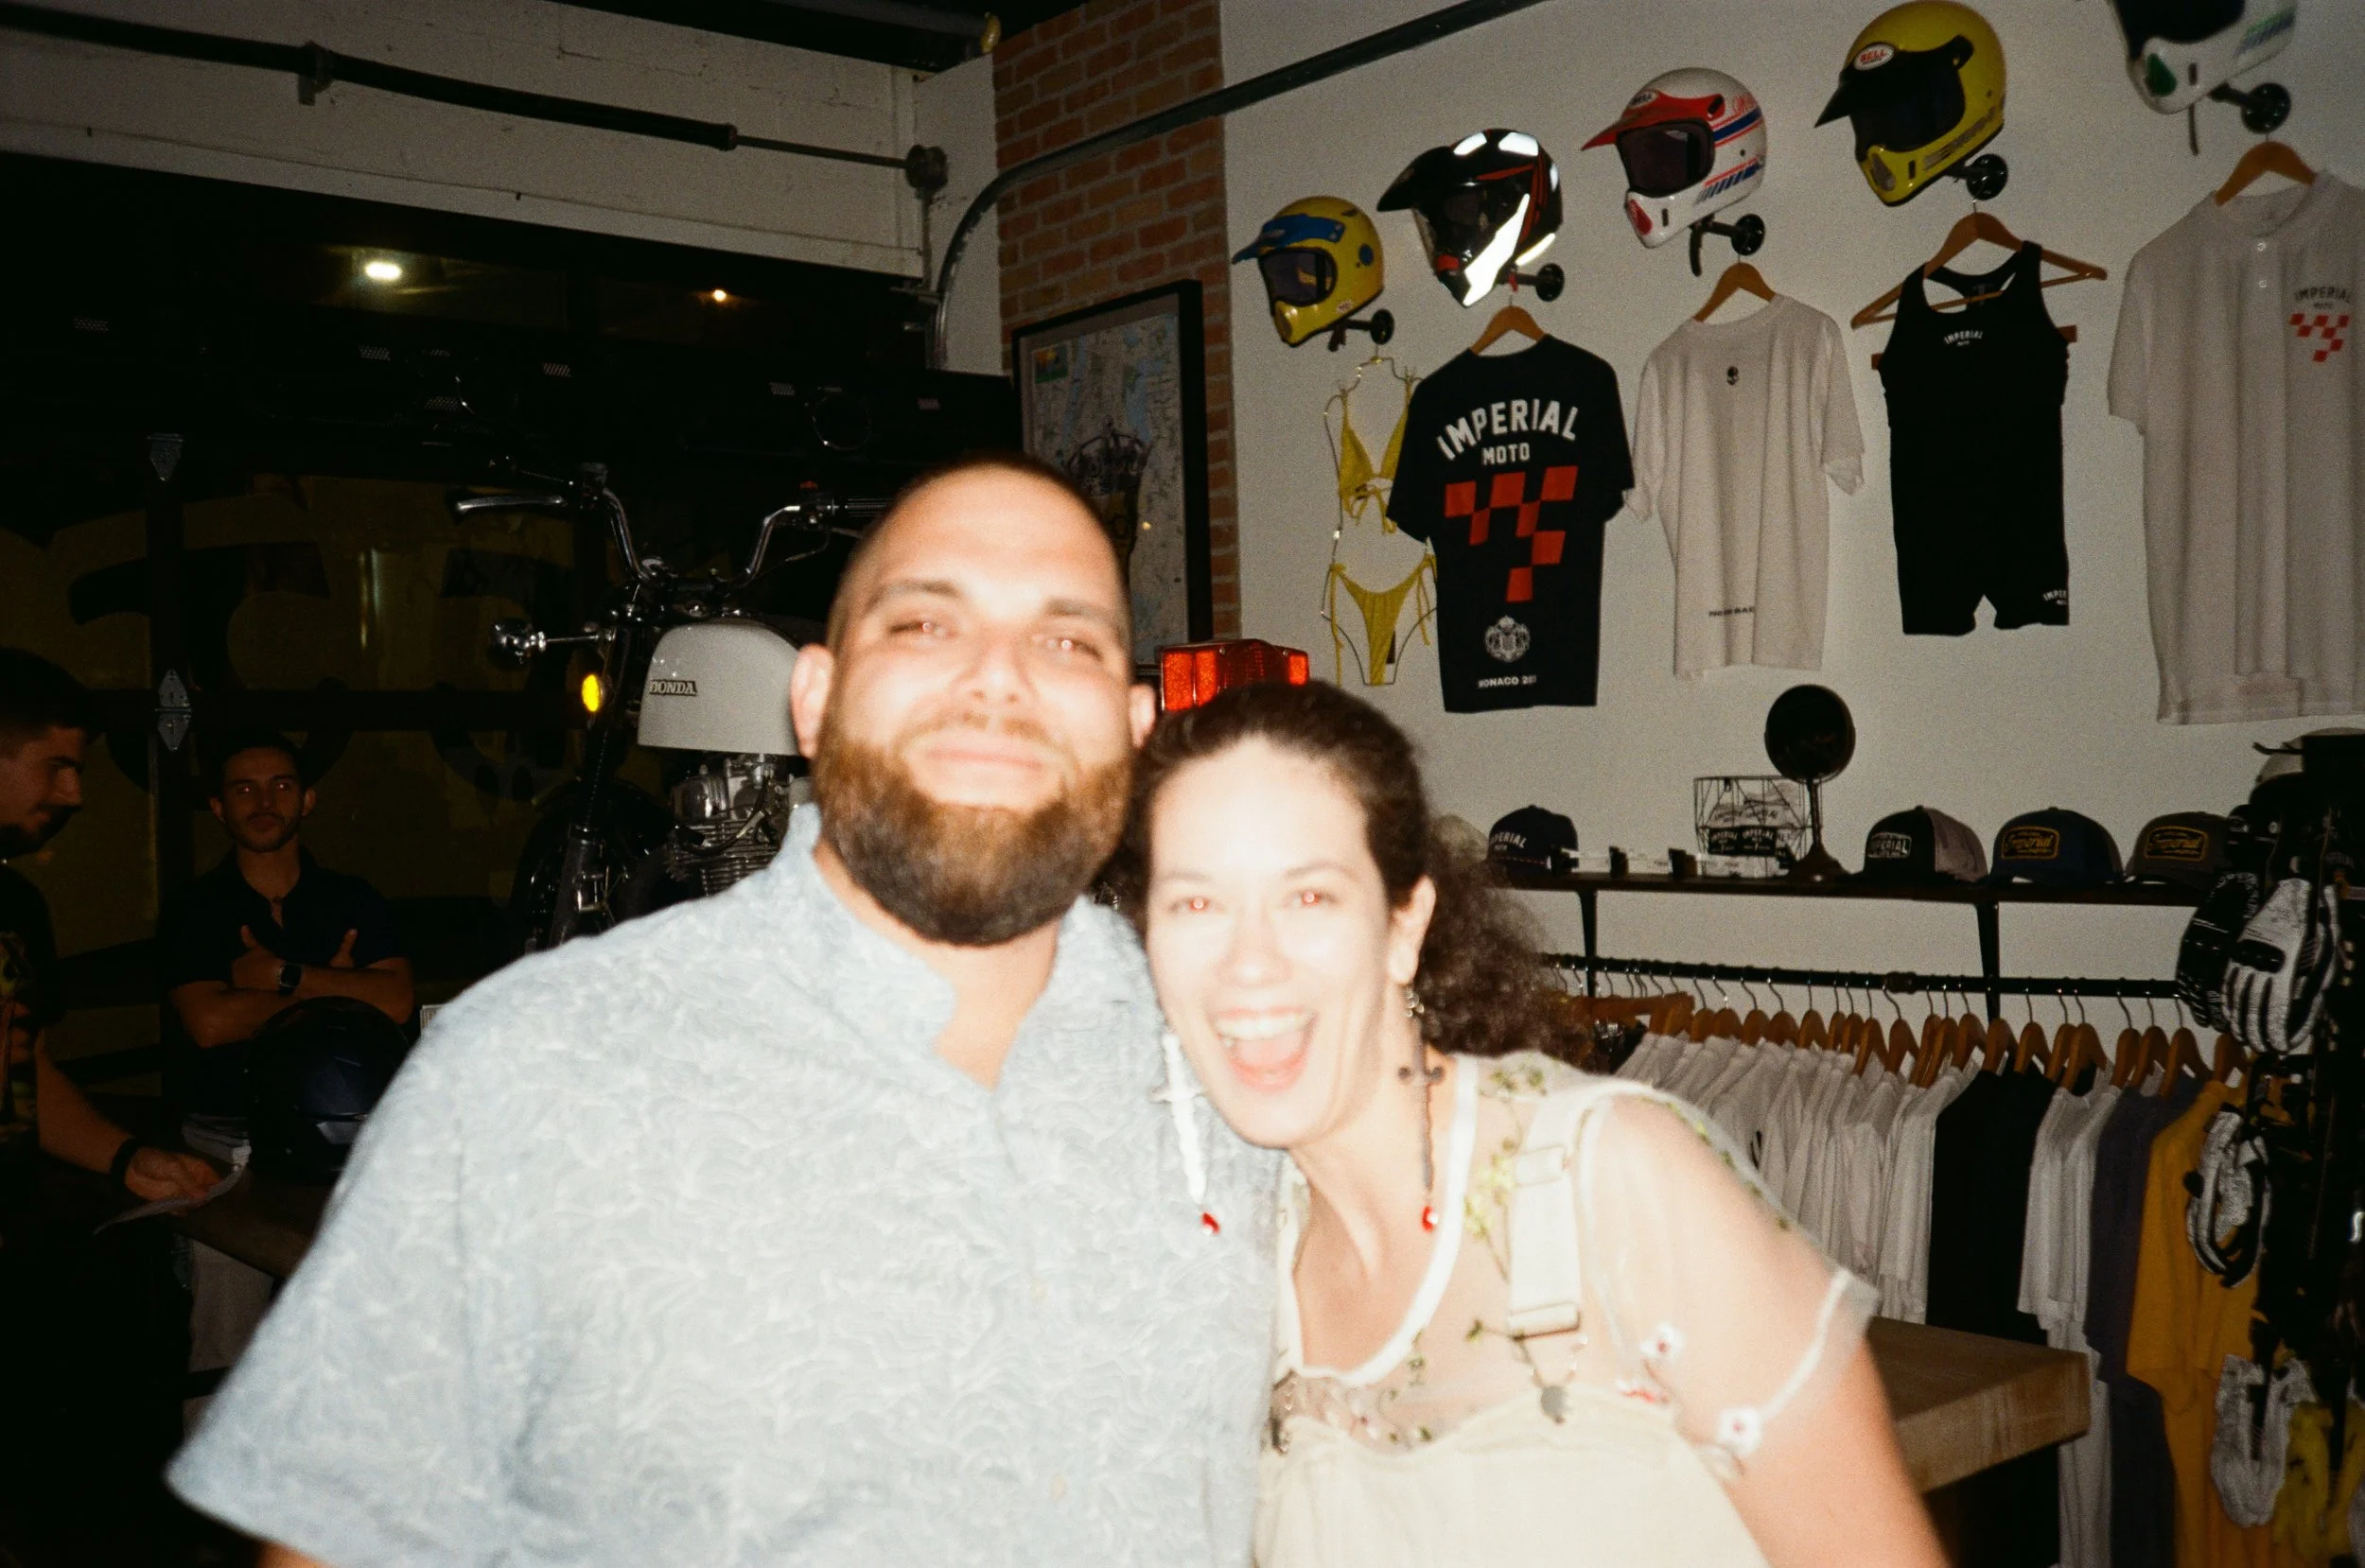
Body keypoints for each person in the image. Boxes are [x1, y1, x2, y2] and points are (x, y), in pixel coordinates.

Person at [168, 453, 1277, 1568]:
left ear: (1135, 723)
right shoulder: (537, 1071)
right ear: (814, 701)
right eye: (924, 625)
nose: (997, 678)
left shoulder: (1246, 1061)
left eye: (1066, 639)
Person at [1123, 680, 1945, 1568]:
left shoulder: (1613, 1183)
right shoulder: (1233, 1265)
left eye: (1309, 897)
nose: (1249, 966)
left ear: (1404, 925)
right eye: (1195, 904)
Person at [1, 647, 216, 1209]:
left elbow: (27, 1077)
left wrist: (124, 1158)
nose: (74, 794)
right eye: (56, 767)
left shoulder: (17, 905)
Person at [159, 731, 413, 1150]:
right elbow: (210, 1023)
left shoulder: (355, 898)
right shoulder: (191, 908)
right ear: (219, 808)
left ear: (307, 800)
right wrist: (343, 1000)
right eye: (245, 790)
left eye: (281, 786)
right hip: (228, 1128)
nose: (264, 803)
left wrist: (283, 976)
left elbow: (397, 1001)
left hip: (347, 1121)